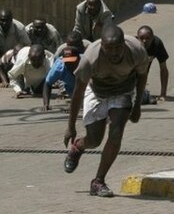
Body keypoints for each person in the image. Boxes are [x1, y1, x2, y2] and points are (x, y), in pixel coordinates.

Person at [63, 25, 149, 197]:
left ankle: (98, 181)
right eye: (109, 48)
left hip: (123, 91)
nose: (114, 53)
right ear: (102, 45)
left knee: (116, 132)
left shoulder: (137, 51)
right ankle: (77, 148)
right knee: (95, 140)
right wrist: (70, 126)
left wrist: (138, 104)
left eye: (118, 47)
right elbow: (77, 93)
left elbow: (142, 77)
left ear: (124, 44)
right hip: (96, 92)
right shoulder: (89, 58)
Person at [137, 25, 169, 103]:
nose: (144, 41)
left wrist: (163, 94)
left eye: (148, 38)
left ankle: (143, 93)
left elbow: (163, 69)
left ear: (152, 38)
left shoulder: (157, 44)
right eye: (141, 38)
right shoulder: (133, 46)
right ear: (137, 38)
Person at [42, 46, 80, 112]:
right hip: (72, 89)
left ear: (78, 59)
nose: (69, 64)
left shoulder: (86, 64)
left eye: (72, 62)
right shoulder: (59, 67)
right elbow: (47, 83)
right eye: (67, 62)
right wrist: (46, 104)